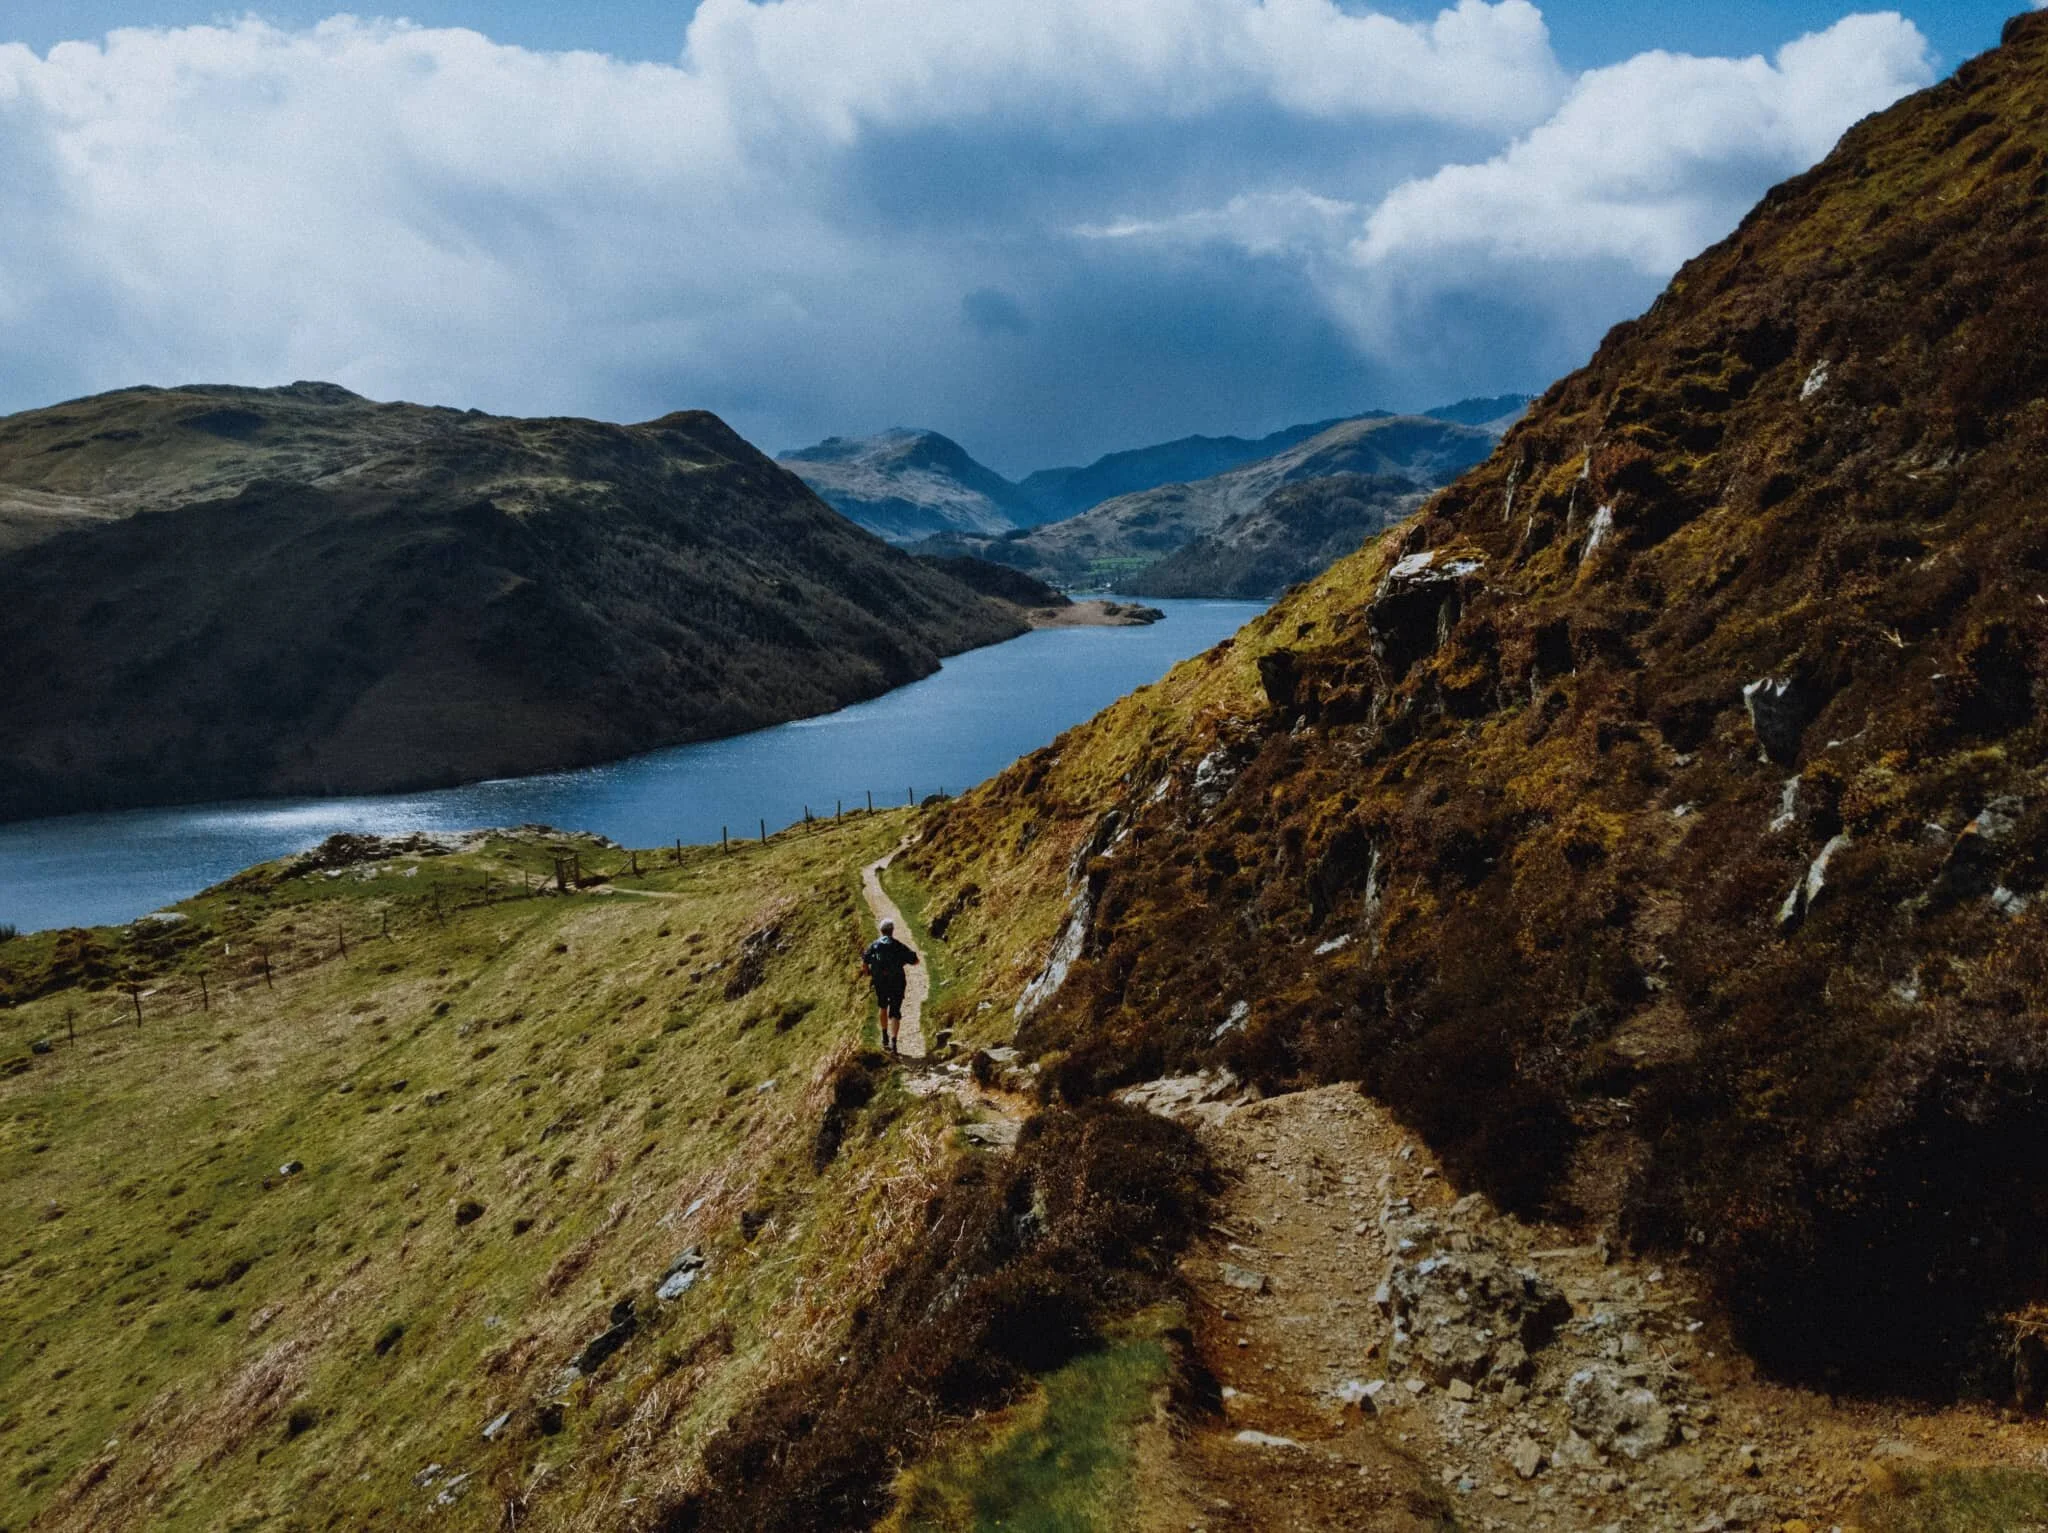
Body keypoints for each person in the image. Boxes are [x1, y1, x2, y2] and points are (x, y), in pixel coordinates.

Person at [861, 918, 919, 1054]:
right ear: (892, 930)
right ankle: (894, 1042)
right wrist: (901, 962)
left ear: (881, 931)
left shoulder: (874, 945)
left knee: (882, 1007)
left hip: (881, 981)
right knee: (895, 1011)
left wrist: (869, 973)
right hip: (897, 981)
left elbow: (864, 962)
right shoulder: (898, 945)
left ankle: (884, 1037)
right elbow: (916, 961)